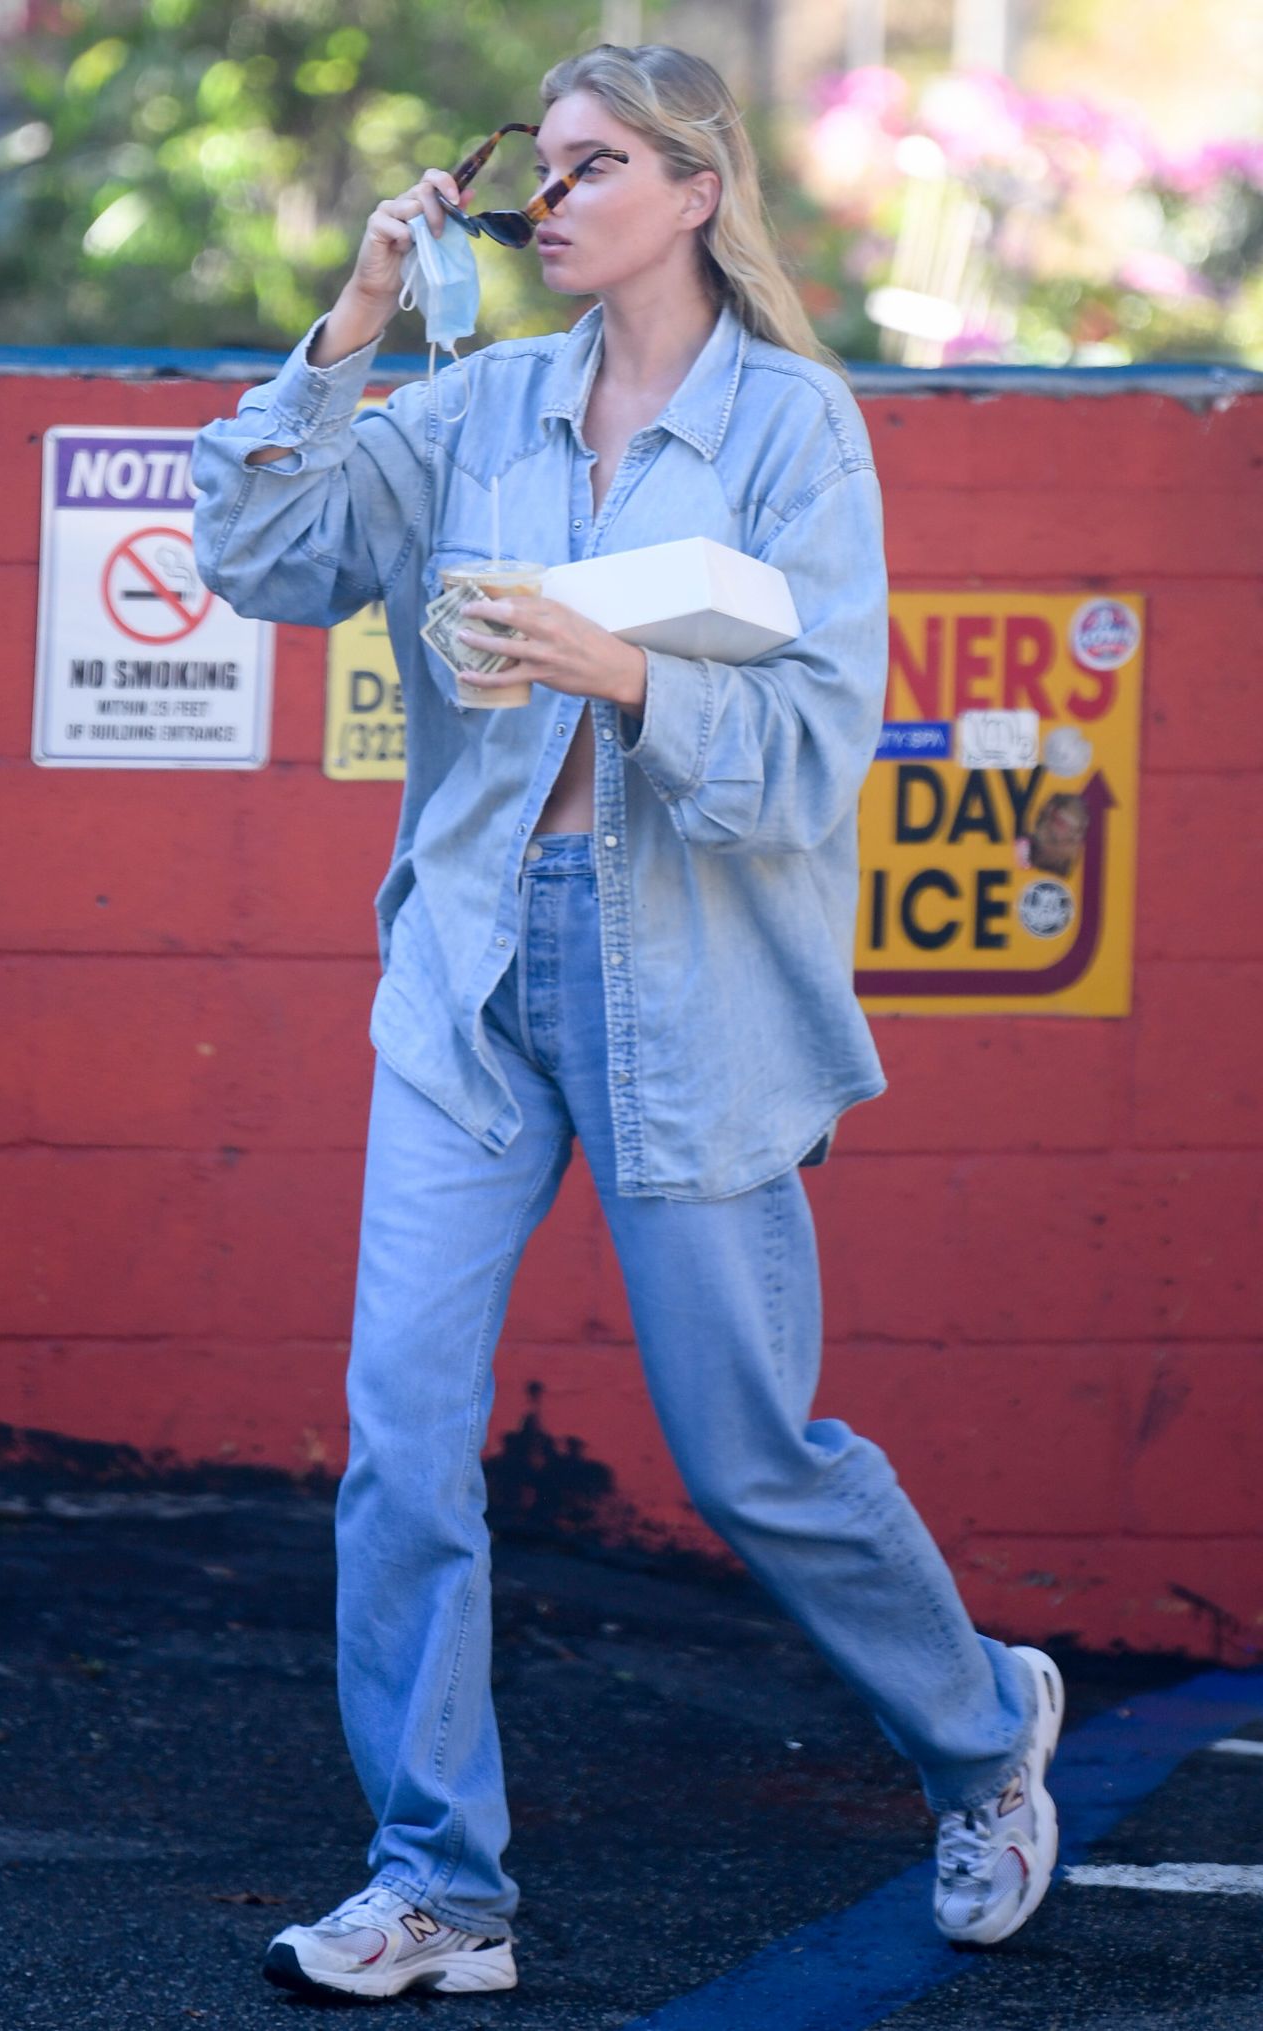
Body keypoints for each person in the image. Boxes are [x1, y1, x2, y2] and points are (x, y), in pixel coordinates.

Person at [191, 41, 1064, 2006]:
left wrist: (620, 668)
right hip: (474, 971)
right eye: (533, 170)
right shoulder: (476, 400)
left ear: (692, 187)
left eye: (590, 167)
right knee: (403, 1439)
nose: (545, 199)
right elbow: (260, 557)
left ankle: (979, 1718)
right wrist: (341, 328)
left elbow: (818, 751)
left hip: (691, 984)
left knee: (746, 1447)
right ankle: (441, 1885)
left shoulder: (793, 428)